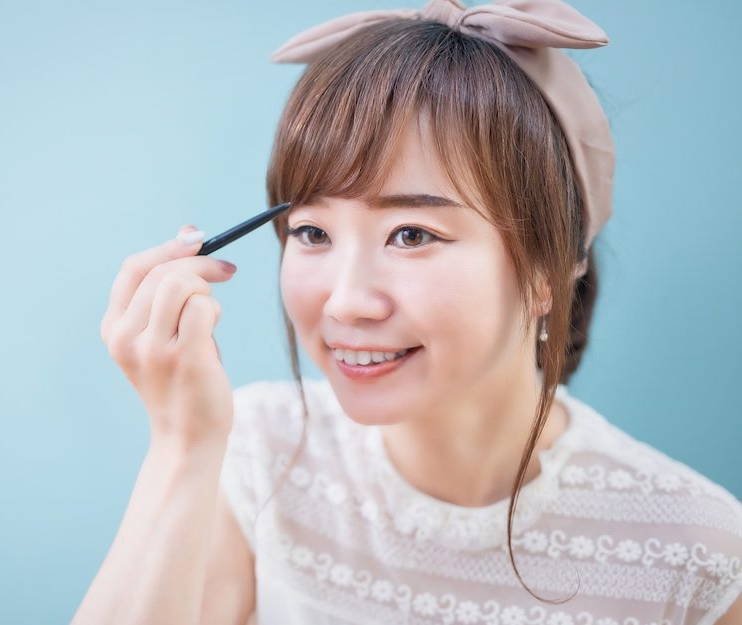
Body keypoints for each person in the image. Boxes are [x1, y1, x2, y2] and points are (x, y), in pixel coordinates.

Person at [73, 0, 742, 623]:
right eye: (312, 232)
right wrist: (183, 441)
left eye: (412, 234)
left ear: (548, 268)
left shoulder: (697, 557)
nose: (346, 300)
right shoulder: (256, 453)